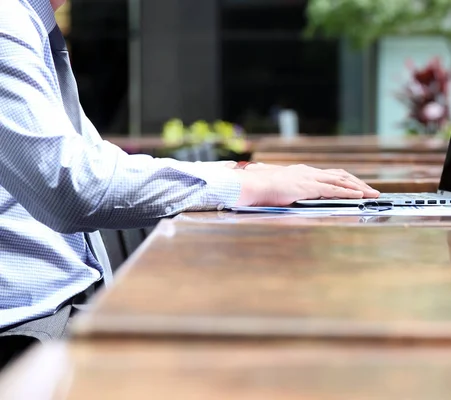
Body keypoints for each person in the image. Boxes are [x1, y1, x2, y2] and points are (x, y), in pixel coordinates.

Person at [0, 0, 379, 369]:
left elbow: (94, 163)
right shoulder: (7, 22)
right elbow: (75, 188)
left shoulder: (30, 21)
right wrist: (242, 186)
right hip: (29, 333)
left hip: (60, 314)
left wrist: (240, 175)